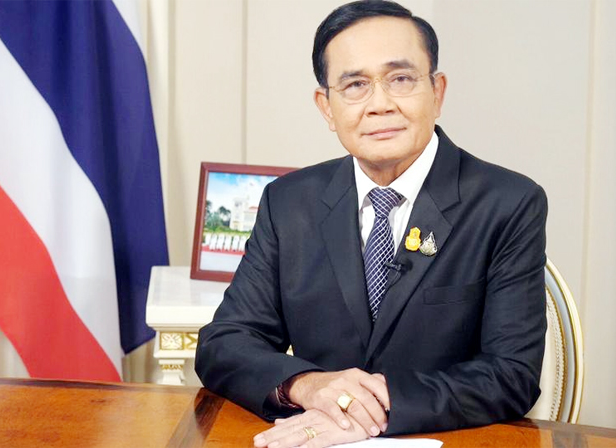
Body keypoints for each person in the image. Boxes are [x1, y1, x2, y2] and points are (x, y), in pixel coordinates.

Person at [196, 1, 547, 447]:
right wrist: (308, 385)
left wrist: (371, 408)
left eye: (400, 79)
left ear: (437, 92)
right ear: (326, 107)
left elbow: (512, 374)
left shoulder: (508, 203)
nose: (380, 105)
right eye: (355, 85)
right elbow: (225, 343)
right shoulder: (289, 203)